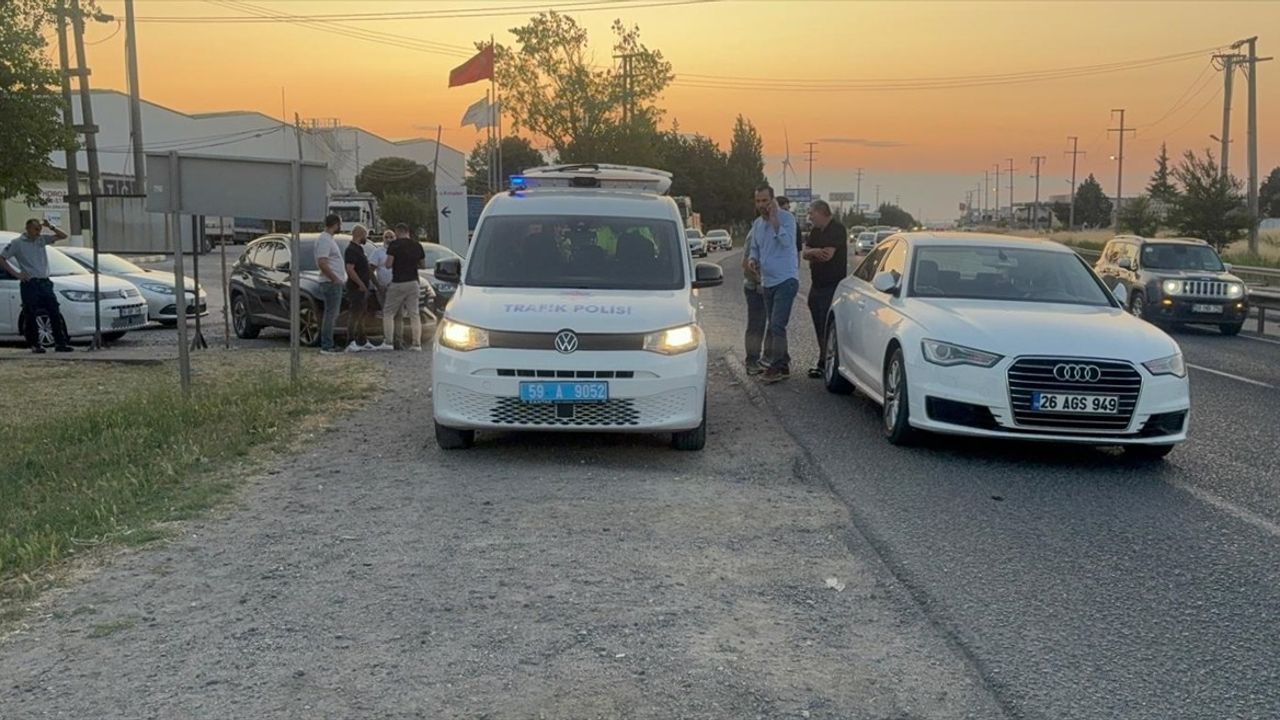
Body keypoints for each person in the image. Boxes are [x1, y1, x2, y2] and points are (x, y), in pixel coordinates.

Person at [746, 185, 799, 384]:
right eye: (758, 201)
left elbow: (787, 243)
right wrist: (753, 259)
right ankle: (783, 363)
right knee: (773, 324)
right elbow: (755, 248)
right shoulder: (758, 224)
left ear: (772, 200)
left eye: (765, 201)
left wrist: (776, 220)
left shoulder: (787, 219)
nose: (761, 205)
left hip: (786, 280)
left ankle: (776, 366)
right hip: (767, 281)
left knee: (777, 325)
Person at [1, 218, 72, 353]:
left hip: (44, 282)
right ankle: (35, 344)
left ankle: (60, 343)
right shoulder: (17, 243)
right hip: (30, 283)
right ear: (28, 229)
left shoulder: (41, 240)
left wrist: (50, 226)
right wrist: (16, 274)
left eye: (39, 229)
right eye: (36, 229)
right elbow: (2, 258)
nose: (38, 232)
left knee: (54, 311)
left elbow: (63, 236)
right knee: (31, 313)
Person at [801, 200, 848, 378]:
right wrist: (814, 252)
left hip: (832, 286)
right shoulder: (815, 231)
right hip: (817, 285)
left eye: (811, 213)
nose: (810, 217)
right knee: (819, 325)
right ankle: (822, 359)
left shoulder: (837, 229)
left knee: (829, 326)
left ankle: (831, 362)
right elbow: (805, 253)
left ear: (821, 212)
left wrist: (813, 252)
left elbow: (827, 255)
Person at [375, 223, 426, 351]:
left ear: (398, 232)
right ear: (408, 232)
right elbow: (423, 264)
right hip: (413, 282)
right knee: (414, 313)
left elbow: (388, 264)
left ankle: (388, 342)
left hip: (398, 282)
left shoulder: (394, 245)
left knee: (388, 312)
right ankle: (416, 344)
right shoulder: (417, 245)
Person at [314, 213, 347, 354]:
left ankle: (329, 343)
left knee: (333, 313)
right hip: (330, 282)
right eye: (340, 224)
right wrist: (334, 278)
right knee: (331, 313)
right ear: (335, 224)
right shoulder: (325, 240)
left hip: (334, 281)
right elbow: (322, 262)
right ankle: (327, 345)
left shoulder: (329, 239)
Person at [741, 222, 766, 375]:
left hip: (765, 285)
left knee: (763, 325)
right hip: (755, 287)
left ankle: (760, 359)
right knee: (756, 325)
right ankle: (752, 360)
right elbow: (746, 263)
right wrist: (758, 281)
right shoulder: (755, 233)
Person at [344, 224, 373, 352]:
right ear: (360, 234)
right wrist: (360, 284)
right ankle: (351, 341)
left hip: (363, 287)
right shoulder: (351, 250)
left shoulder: (359, 249)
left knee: (362, 314)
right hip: (356, 288)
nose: (366, 238)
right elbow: (350, 269)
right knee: (355, 314)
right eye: (365, 235)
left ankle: (362, 340)